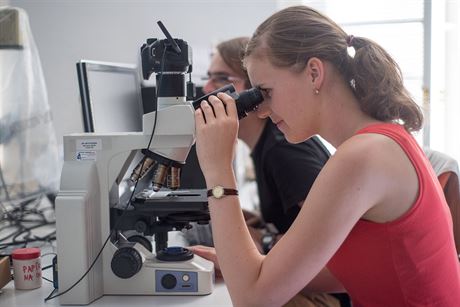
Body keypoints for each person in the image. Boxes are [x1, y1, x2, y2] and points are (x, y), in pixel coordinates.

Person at [190, 5, 460, 307]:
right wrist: (244, 262)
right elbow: (344, 270)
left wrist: (217, 168)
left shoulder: (362, 157)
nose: (262, 111)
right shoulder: (381, 141)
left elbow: (254, 300)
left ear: (314, 73)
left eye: (266, 91)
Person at [197, 37, 330, 253]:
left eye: (221, 79)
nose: (207, 88)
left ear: (255, 91)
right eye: (209, 77)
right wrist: (260, 222)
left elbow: (334, 243)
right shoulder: (265, 144)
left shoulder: (284, 150)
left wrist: (265, 240)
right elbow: (298, 222)